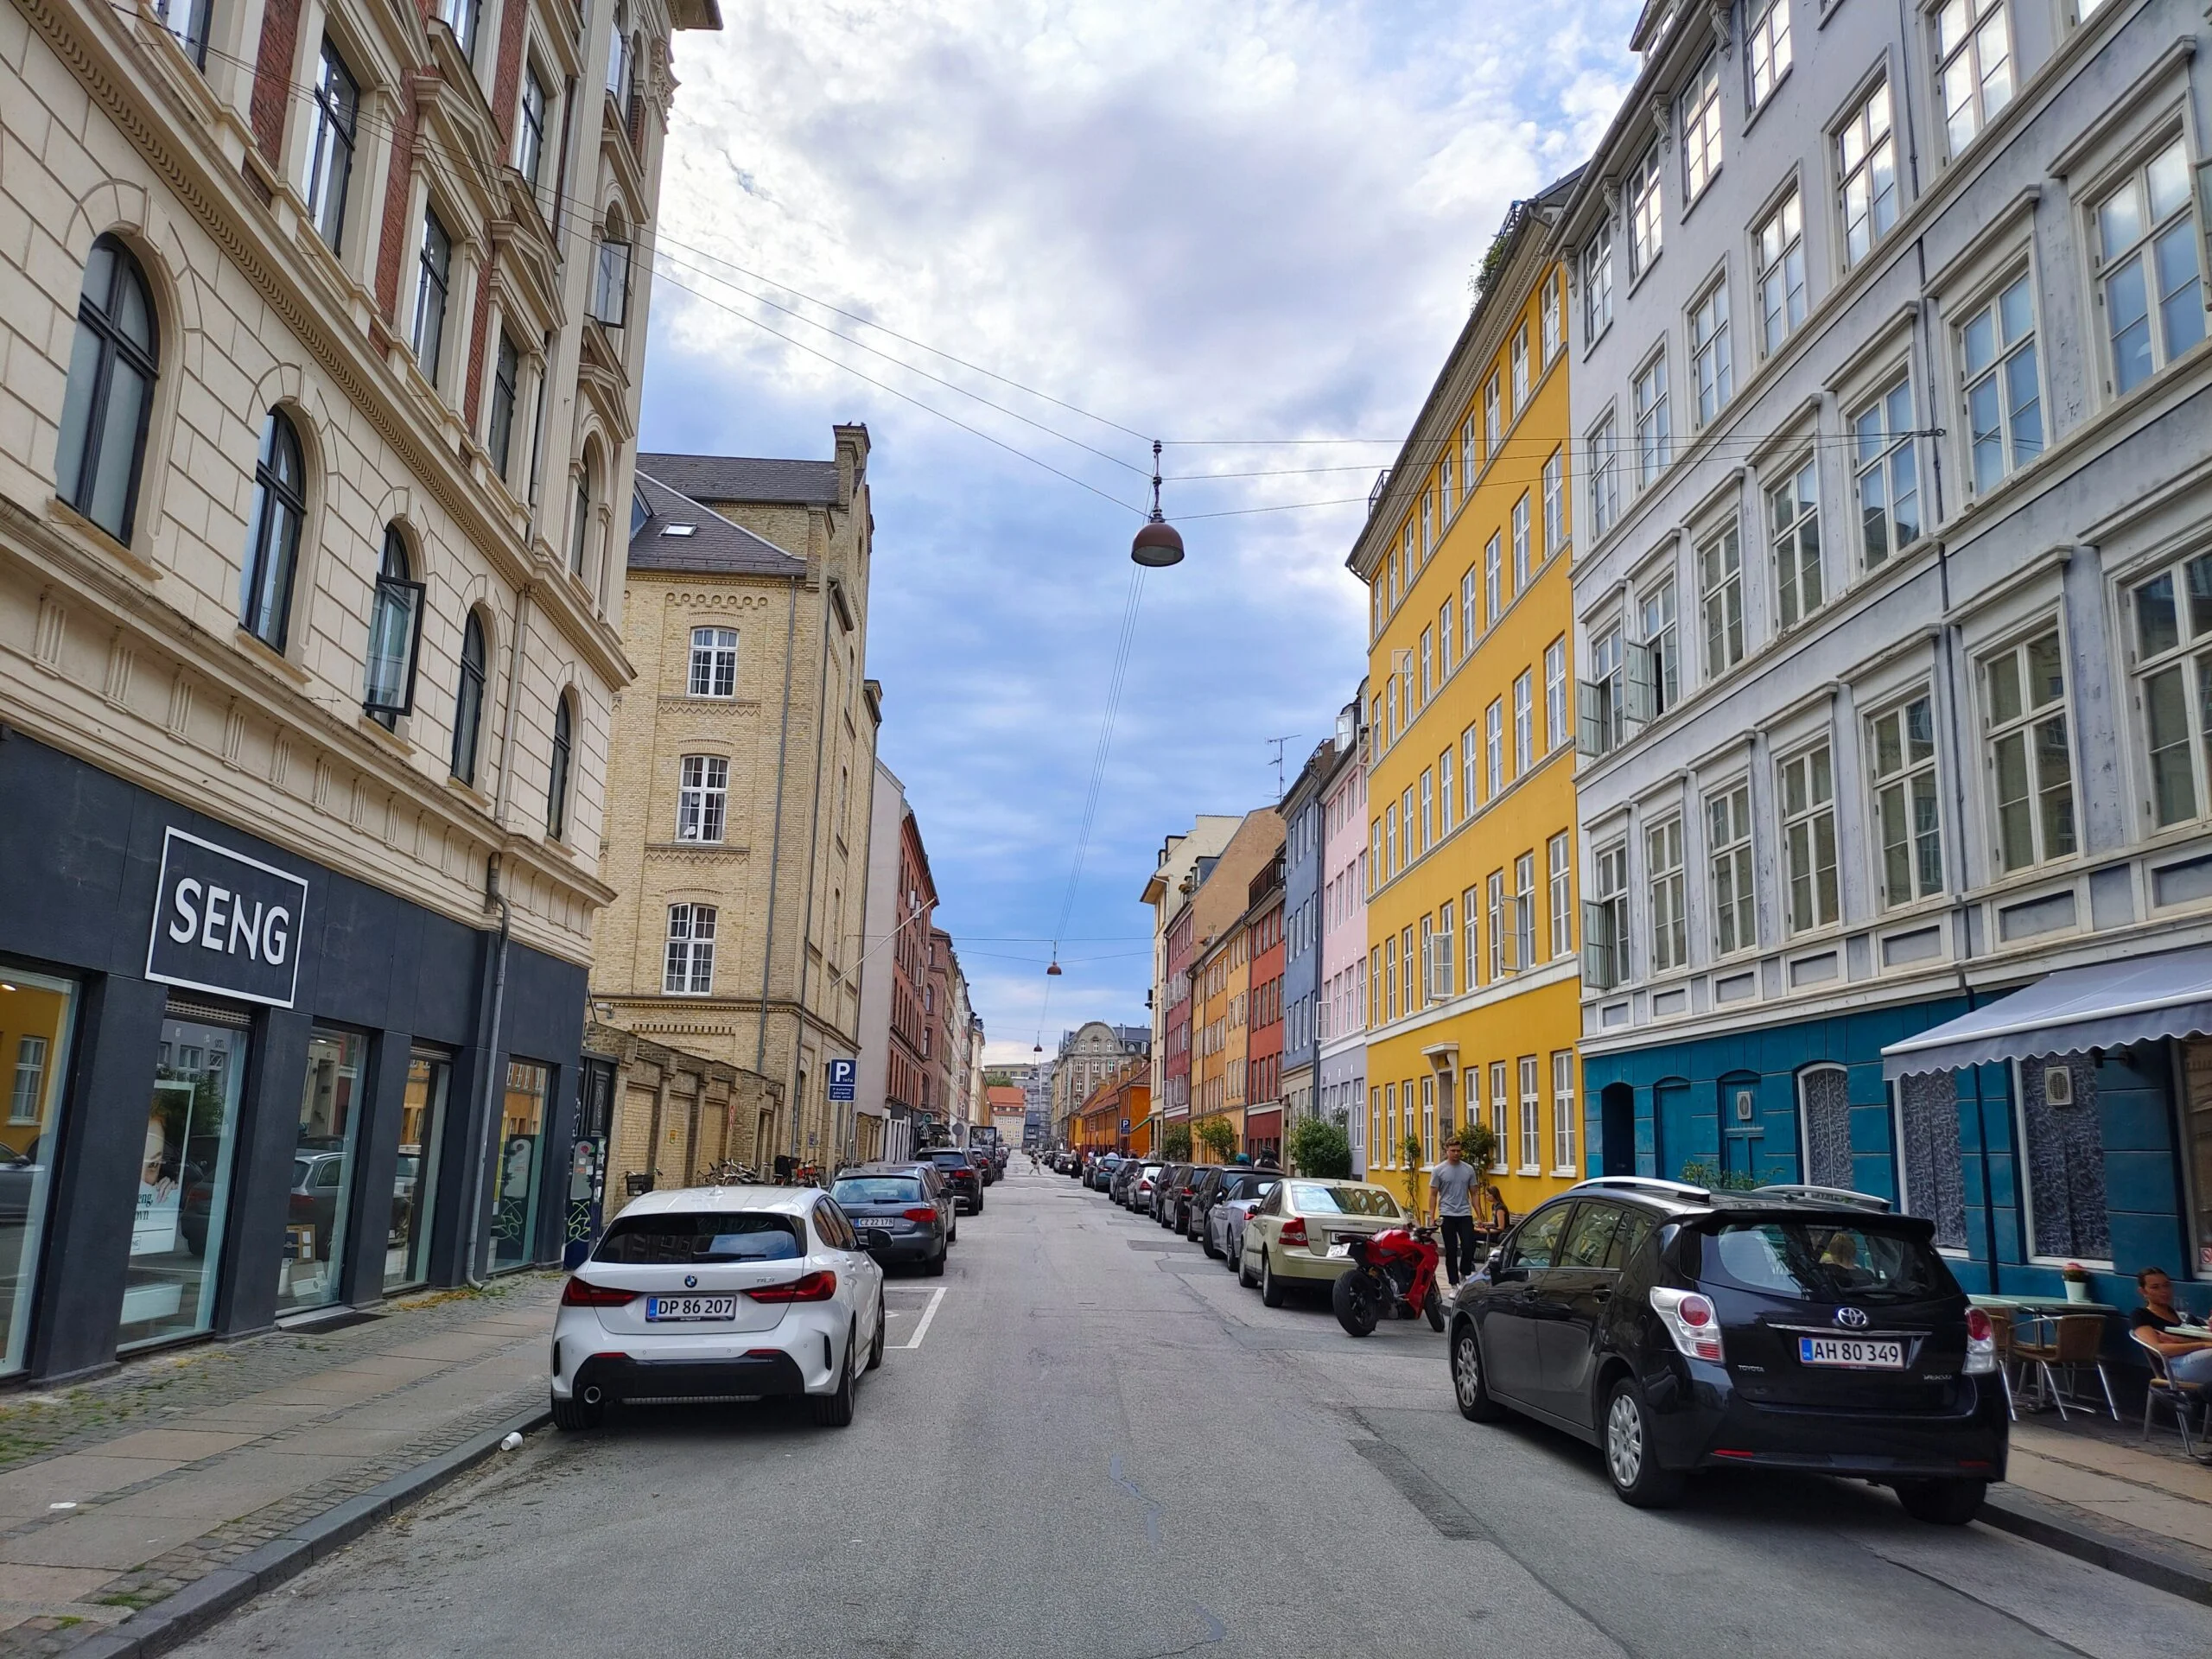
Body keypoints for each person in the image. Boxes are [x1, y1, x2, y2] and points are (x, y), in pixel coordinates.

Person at [2132, 1267, 2212, 1385]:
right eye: (2155, 1287)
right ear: (2143, 1292)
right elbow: (2159, 1349)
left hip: (2195, 1359)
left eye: (2167, 1285)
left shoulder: (2175, 1313)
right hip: (2173, 1367)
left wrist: (2177, 1341)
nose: (2164, 1291)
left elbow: (2200, 1336)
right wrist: (2202, 1344)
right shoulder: (2141, 1315)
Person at [1429, 1141, 1479, 1287]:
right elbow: (1432, 1194)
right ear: (1447, 1150)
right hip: (1447, 1213)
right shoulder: (1439, 1170)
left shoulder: (1468, 1169)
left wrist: (1479, 1215)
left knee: (1469, 1246)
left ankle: (1464, 1274)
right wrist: (1432, 1217)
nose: (1456, 1153)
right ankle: (1453, 1283)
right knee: (1451, 1249)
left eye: (1458, 1150)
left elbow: (1474, 1193)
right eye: (1453, 1150)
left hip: (1464, 1212)